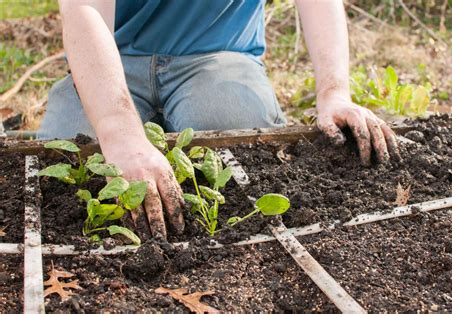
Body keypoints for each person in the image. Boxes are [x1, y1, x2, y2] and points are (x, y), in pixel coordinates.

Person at [38, 0, 399, 238]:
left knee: (238, 144)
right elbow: (83, 8)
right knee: (66, 160)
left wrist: (333, 92)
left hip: (221, 56)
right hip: (110, 57)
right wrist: (119, 130)